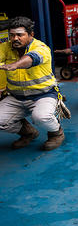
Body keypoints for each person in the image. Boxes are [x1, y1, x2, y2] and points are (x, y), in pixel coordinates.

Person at [0, 16, 65, 151]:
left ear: (31, 35)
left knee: (41, 117)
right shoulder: (5, 47)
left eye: (20, 35)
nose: (15, 39)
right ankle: (28, 132)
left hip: (43, 95)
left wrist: (15, 65)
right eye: (11, 35)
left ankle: (56, 133)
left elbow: (32, 58)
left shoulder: (41, 48)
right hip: (16, 97)